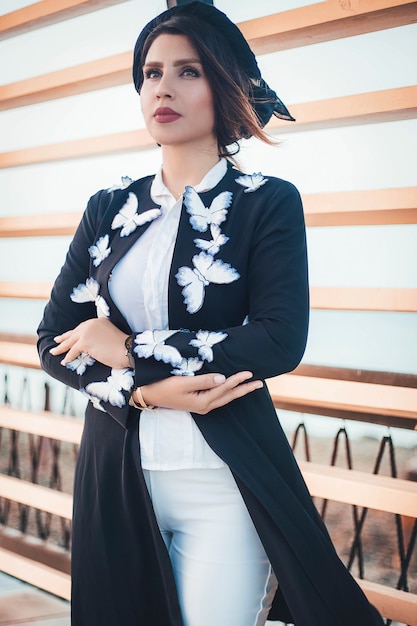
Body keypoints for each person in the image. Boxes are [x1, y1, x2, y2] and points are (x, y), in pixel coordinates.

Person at [37, 3, 385, 625]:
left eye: (187, 71)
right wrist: (148, 394)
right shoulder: (107, 208)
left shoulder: (268, 203)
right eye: (150, 73)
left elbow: (279, 340)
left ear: (225, 87)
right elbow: (51, 342)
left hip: (225, 482)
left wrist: (129, 351)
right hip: (116, 475)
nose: (162, 88)